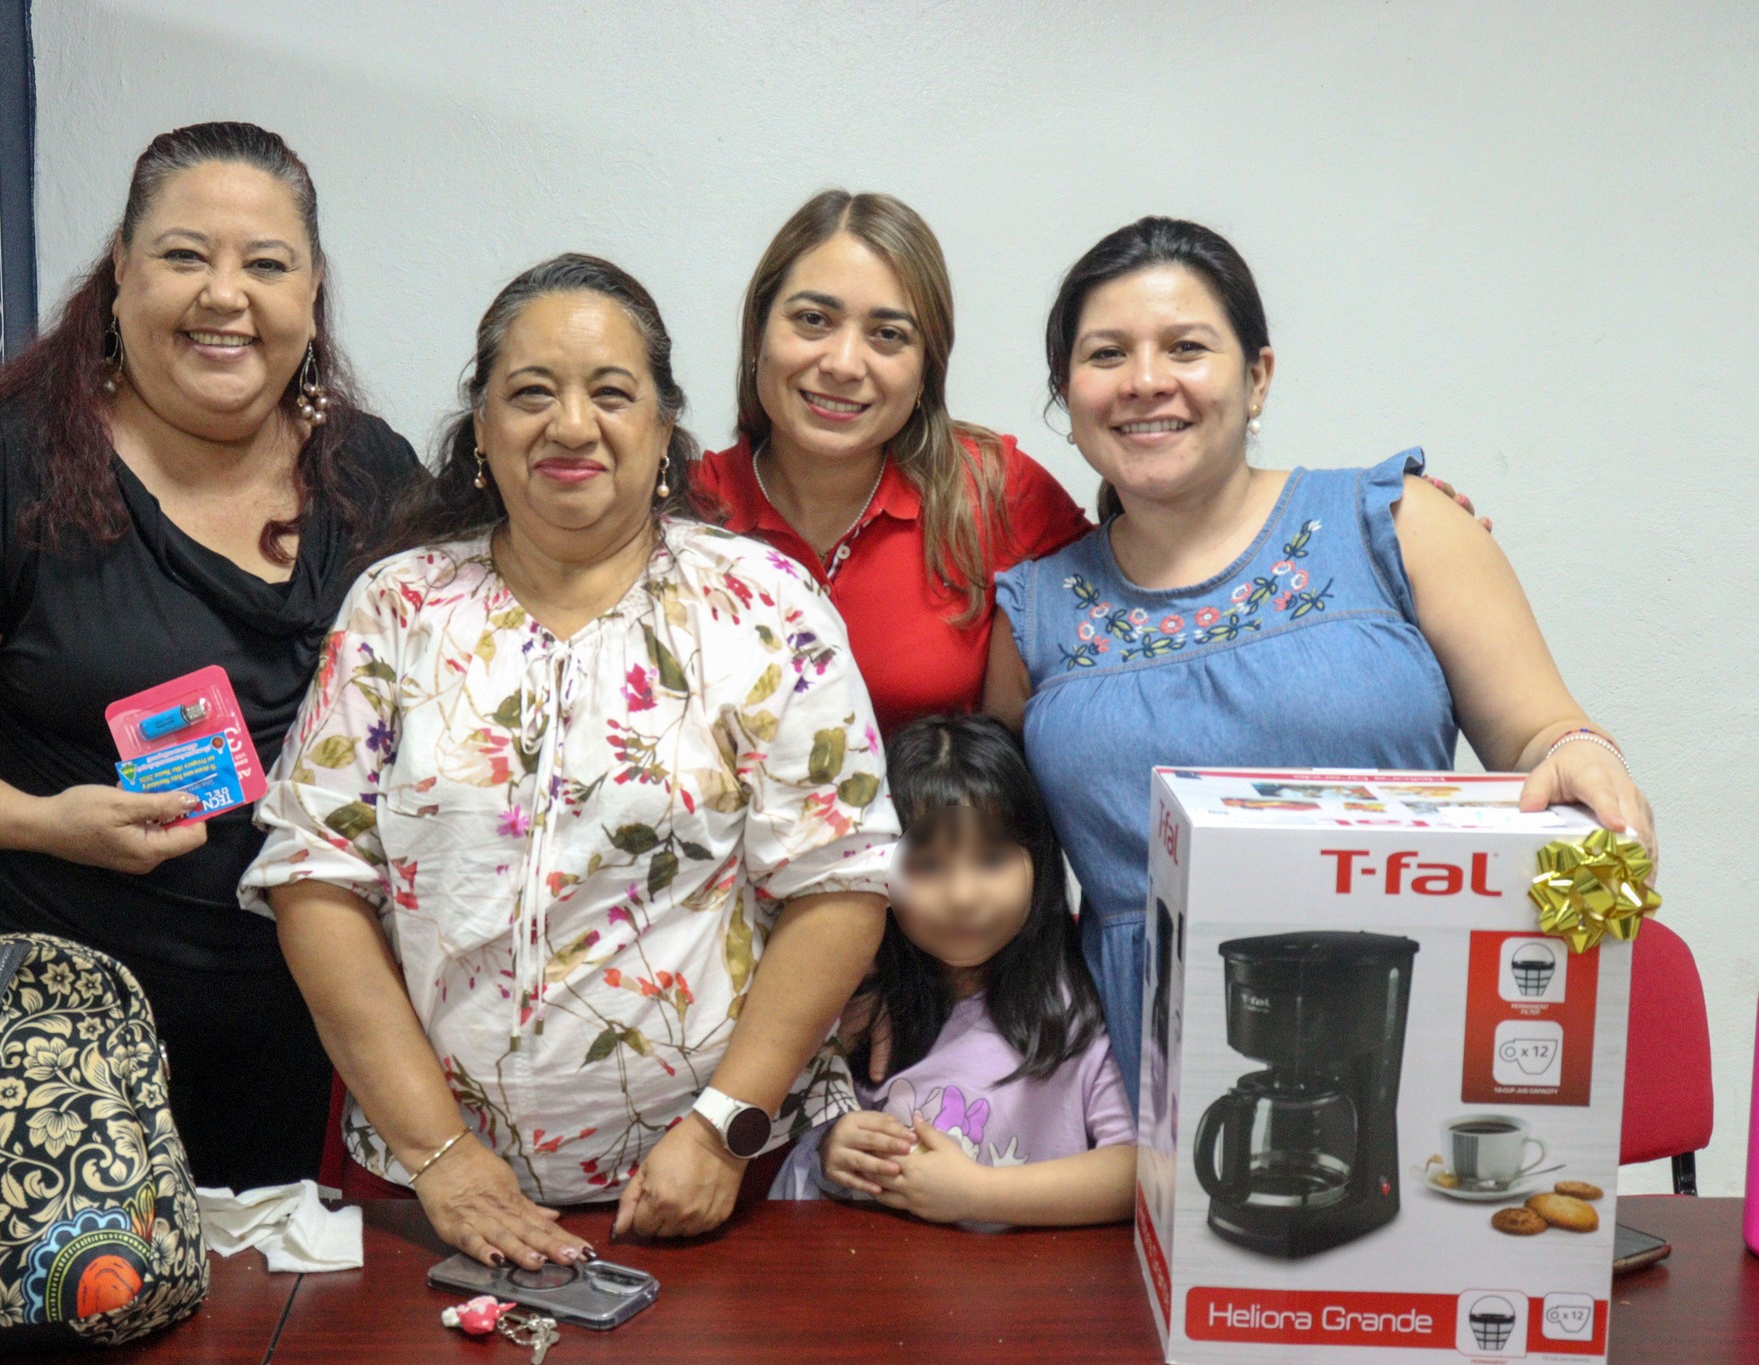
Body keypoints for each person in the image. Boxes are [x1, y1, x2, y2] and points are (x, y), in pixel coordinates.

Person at [0, 122, 423, 1189]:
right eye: (185, 255)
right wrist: (43, 822)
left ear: (312, 291)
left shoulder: (371, 471)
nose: (226, 295)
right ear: (121, 270)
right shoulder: (9, 469)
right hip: (33, 1048)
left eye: (267, 264)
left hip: (289, 1041)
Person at [241, 255, 898, 1270]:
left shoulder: (762, 604)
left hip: (723, 1184)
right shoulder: (399, 607)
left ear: (665, 428)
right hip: (429, 1187)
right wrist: (442, 1156)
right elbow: (313, 880)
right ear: (481, 428)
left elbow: (840, 881)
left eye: (611, 393)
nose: (571, 425)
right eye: (531, 393)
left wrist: (721, 1133)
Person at [985, 217, 1657, 1100]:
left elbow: (1541, 734)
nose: (1146, 380)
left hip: (1409, 1029)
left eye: (1186, 347)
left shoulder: (1400, 525)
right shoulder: (1032, 614)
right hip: (1135, 1087)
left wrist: (1586, 756)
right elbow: (991, 860)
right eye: (1107, 354)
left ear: (1256, 377)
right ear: (1066, 393)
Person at [693, 191, 1094, 732]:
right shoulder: (686, 506)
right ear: (757, 333)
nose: (843, 364)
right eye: (813, 319)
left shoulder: (993, 488)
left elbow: (1129, 623)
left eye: (888, 335)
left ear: (927, 367)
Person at [773, 714, 1134, 1229]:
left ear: (1040, 861)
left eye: (991, 859)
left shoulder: (1081, 1005)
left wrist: (978, 1194)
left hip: (1028, 1275)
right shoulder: (855, 998)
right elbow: (801, 1135)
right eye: (929, 866)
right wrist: (833, 1143)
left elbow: (1135, 1170)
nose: (962, 897)